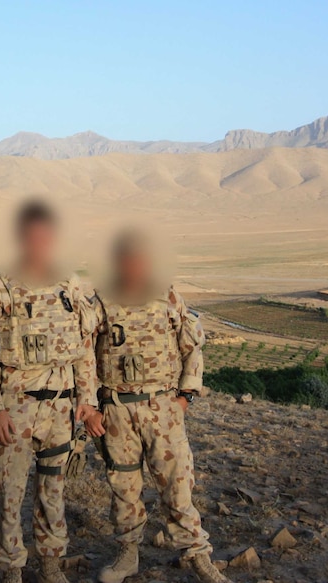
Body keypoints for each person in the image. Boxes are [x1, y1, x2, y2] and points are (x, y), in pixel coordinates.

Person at [82, 230, 232, 583]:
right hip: (116, 411)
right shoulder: (101, 300)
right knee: (124, 487)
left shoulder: (167, 296)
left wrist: (186, 396)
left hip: (162, 408)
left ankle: (197, 554)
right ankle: (127, 553)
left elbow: (192, 346)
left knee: (178, 485)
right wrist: (89, 407)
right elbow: (83, 355)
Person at [0, 200, 99, 583]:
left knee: (53, 491)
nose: (40, 244)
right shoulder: (0, 286)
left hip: (60, 411)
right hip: (16, 408)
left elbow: (85, 348)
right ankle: (12, 569)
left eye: (46, 237)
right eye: (33, 236)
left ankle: (50, 563)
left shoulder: (70, 285)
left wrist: (88, 400)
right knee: (9, 494)